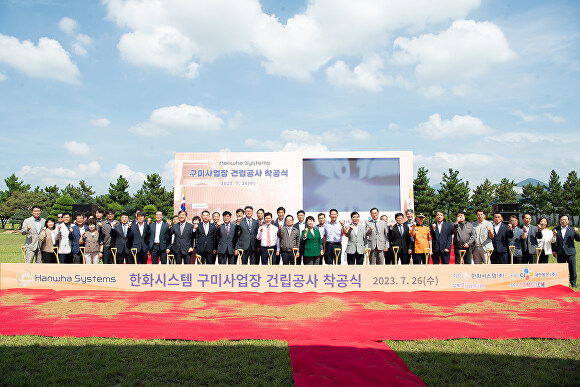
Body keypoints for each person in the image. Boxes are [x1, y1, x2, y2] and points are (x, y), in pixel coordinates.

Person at [551, 214, 580, 287]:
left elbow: (578, 239)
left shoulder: (572, 229)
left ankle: (573, 283)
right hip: (560, 252)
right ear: (559, 221)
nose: (563, 221)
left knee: (572, 268)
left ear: (568, 221)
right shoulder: (555, 229)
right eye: (562, 220)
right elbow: (553, 241)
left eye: (565, 220)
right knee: (561, 269)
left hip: (570, 252)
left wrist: (577, 233)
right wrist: (554, 250)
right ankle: (562, 284)